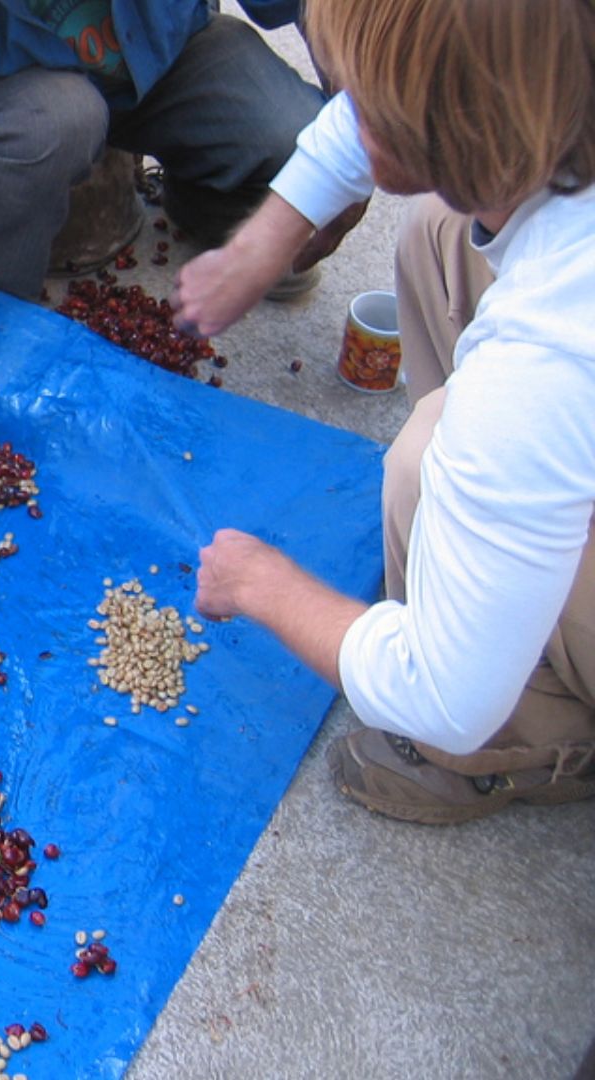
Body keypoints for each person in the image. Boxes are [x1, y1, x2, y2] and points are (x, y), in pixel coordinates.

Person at [180, 0, 595, 824]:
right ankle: (501, 572)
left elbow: (441, 694)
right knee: (440, 232)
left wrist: (266, 584)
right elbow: (392, 111)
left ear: (436, 127)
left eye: (358, 91)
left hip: (541, 404)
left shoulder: (549, 347)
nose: (346, 106)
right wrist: (268, 238)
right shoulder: (548, 77)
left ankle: (531, 728)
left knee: (420, 459)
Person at [0, 0, 326, 510]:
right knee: (55, 124)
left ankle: (203, 198)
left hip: (162, 56)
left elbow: (325, 11)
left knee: (299, 134)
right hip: (14, 90)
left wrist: (354, 151)